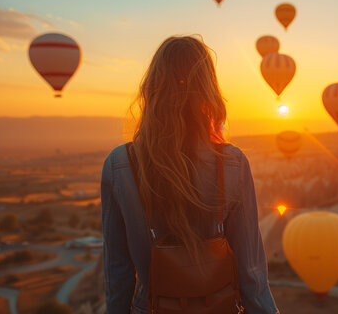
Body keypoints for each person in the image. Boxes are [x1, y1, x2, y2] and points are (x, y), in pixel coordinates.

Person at [101, 36, 279, 314]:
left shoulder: (119, 164)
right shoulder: (231, 162)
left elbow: (117, 273)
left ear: (151, 88)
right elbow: (252, 273)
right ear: (208, 90)